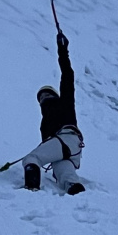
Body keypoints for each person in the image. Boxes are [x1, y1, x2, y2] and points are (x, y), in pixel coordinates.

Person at [22, 24, 85, 193]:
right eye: (41, 97)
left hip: (64, 140)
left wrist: (62, 49)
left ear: (55, 96)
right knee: (64, 173)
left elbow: (67, 75)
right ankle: (75, 189)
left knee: (32, 158)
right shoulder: (46, 121)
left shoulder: (64, 102)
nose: (44, 98)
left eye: (46, 95)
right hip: (72, 146)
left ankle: (31, 188)